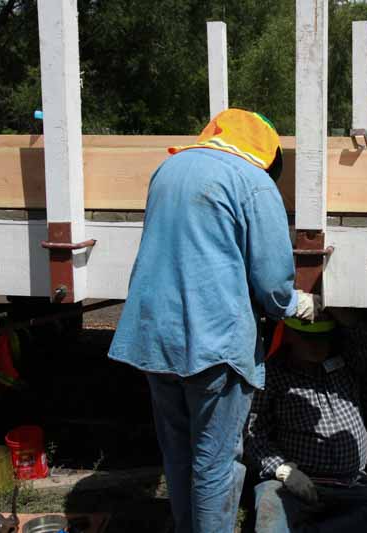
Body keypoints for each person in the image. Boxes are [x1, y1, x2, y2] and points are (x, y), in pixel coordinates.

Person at [108, 108, 319, 533]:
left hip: (154, 338)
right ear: (265, 153)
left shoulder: (169, 168)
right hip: (212, 341)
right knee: (216, 464)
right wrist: (294, 302)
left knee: (179, 455)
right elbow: (272, 280)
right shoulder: (254, 182)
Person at [246, 313, 367, 533]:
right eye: (308, 338)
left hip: (351, 483)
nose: (317, 345)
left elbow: (366, 336)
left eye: (322, 337)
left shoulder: (346, 362)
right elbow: (254, 432)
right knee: (269, 511)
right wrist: (281, 469)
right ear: (289, 334)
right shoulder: (272, 374)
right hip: (297, 482)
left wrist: (343, 314)